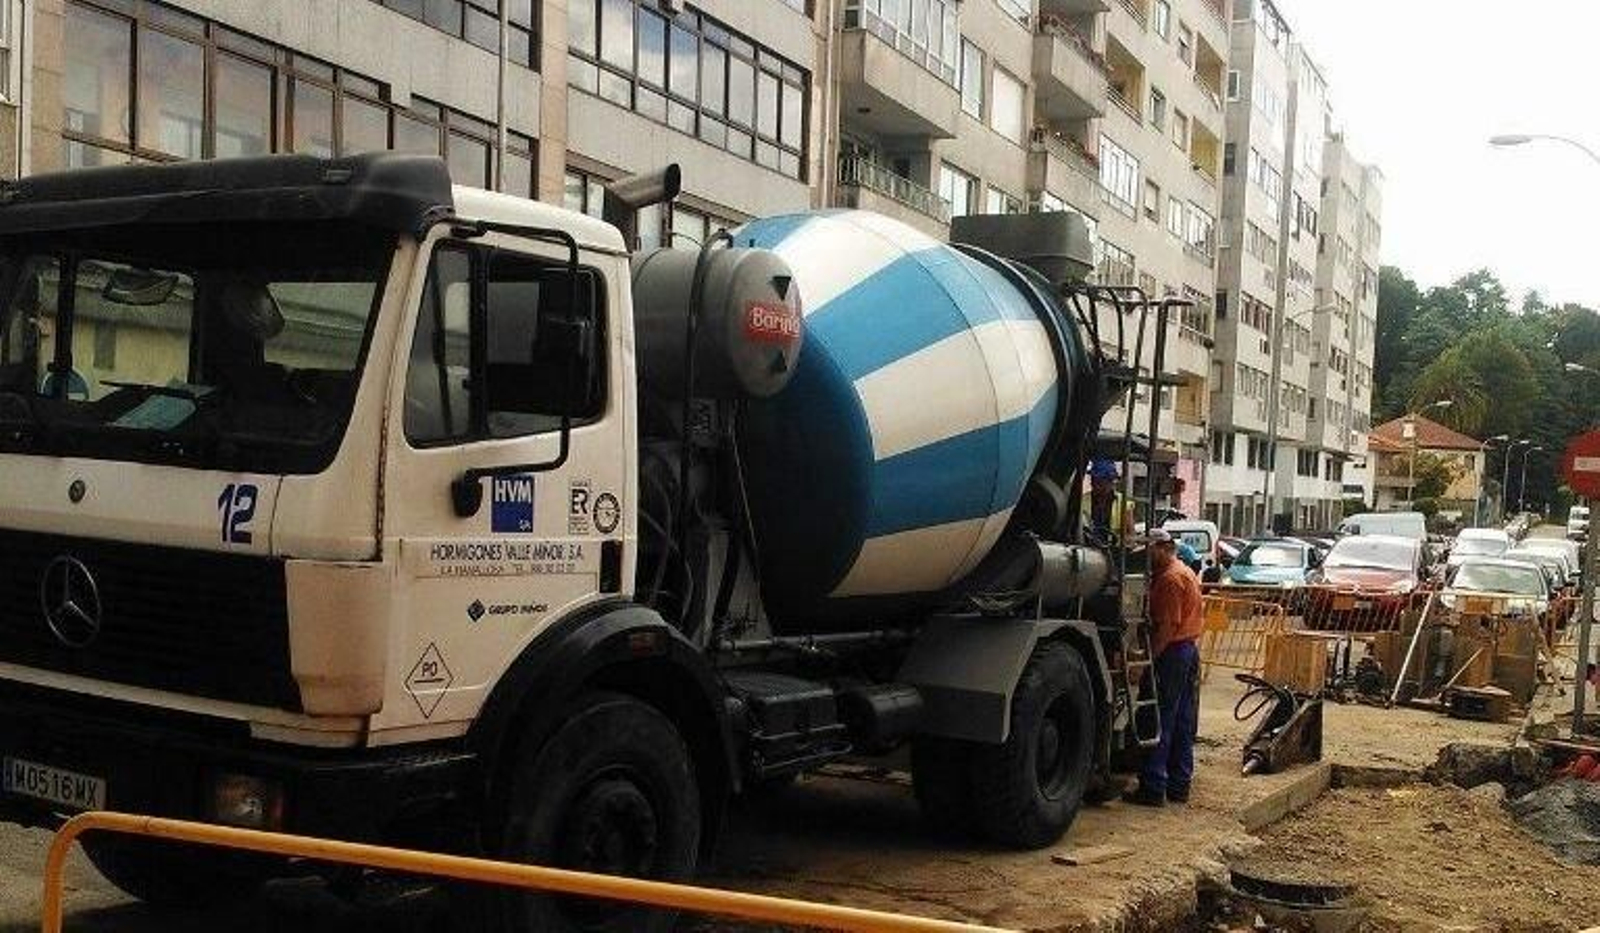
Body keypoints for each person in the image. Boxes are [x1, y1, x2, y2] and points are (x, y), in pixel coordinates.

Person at [1124, 528, 1205, 807]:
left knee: (1161, 718)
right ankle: (1179, 784)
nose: (1144, 555)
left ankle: (1154, 785)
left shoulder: (1170, 579)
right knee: (1182, 718)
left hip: (1173, 652)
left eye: (1148, 550)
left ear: (1161, 548)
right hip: (1187, 649)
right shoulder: (1182, 570)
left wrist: (1147, 662)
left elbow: (1167, 628)